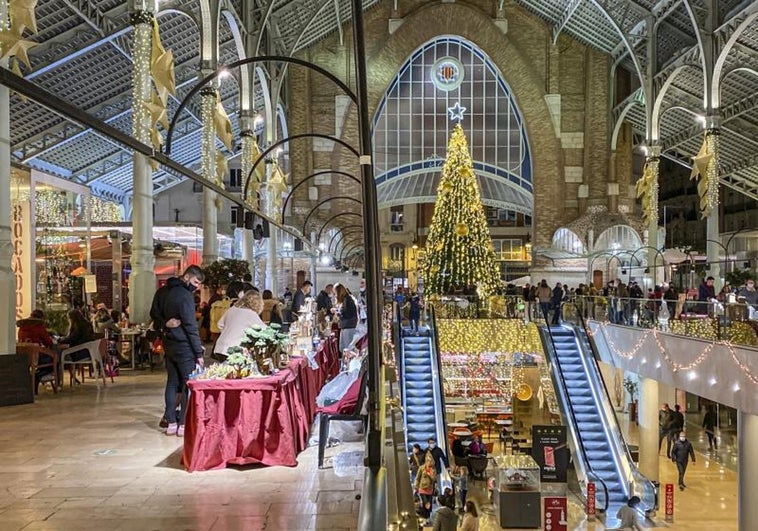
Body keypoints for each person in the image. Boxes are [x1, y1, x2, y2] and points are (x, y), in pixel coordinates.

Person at [150, 265, 206, 437]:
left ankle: (171, 422)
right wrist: (198, 352)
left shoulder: (162, 291)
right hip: (185, 346)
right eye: (196, 282)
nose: (196, 286)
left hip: (169, 343)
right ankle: (183, 423)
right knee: (188, 384)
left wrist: (164, 323)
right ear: (187, 277)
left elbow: (153, 313)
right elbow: (190, 326)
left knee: (172, 382)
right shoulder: (185, 296)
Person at [213, 290, 265, 360]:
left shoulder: (232, 309)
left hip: (220, 346)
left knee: (225, 369)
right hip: (234, 349)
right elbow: (264, 330)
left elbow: (220, 324)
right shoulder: (250, 314)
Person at [59, 309, 96, 384]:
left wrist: (60, 340)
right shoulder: (87, 325)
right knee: (64, 353)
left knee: (61, 355)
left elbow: (72, 339)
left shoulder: (77, 327)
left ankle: (59, 379)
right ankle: (72, 377)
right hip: (88, 352)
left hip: (79, 353)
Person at [333, 284, 359, 353]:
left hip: (348, 326)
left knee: (347, 348)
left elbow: (346, 314)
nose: (335, 295)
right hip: (346, 326)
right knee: (343, 348)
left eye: (335, 292)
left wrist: (337, 313)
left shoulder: (347, 300)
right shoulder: (346, 299)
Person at [414, 452, 437, 520]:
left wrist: (431, 475)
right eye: (428, 461)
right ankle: (425, 517)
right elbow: (418, 477)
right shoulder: (421, 468)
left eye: (430, 461)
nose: (429, 462)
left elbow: (434, 479)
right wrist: (416, 485)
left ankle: (428, 516)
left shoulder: (433, 469)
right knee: (425, 502)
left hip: (430, 489)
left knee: (429, 504)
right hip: (422, 488)